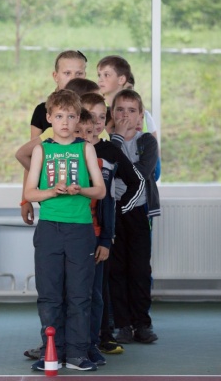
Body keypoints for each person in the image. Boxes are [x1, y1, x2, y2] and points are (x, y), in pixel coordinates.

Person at [24, 89, 105, 372]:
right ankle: (52, 352)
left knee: (80, 294)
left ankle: (77, 353)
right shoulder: (41, 150)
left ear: (78, 118)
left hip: (80, 230)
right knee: (49, 295)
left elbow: (100, 190)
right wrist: (51, 191)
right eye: (59, 116)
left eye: (71, 116)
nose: (65, 122)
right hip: (49, 229)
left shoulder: (86, 148)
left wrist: (80, 189)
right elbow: (30, 192)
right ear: (49, 118)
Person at [80, 92, 146, 357]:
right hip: (71, 229)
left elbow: (136, 182)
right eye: (90, 116)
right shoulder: (65, 148)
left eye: (101, 117)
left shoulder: (110, 151)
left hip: (100, 233)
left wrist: (118, 209)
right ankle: (67, 339)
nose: (96, 123)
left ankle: (103, 335)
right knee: (71, 288)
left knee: (100, 287)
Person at [108, 89, 161, 345]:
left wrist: (122, 170)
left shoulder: (147, 142)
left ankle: (142, 323)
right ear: (112, 114)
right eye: (120, 110)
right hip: (113, 213)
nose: (125, 115)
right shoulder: (107, 143)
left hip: (138, 212)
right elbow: (108, 169)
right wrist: (116, 140)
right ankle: (123, 324)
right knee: (116, 269)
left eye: (131, 110)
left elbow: (141, 175)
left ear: (140, 116)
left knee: (139, 269)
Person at [21, 50, 88, 225]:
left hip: (85, 202)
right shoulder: (42, 110)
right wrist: (25, 199)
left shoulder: (93, 110)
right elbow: (32, 157)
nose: (73, 79)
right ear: (55, 76)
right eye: (67, 73)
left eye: (79, 73)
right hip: (53, 199)